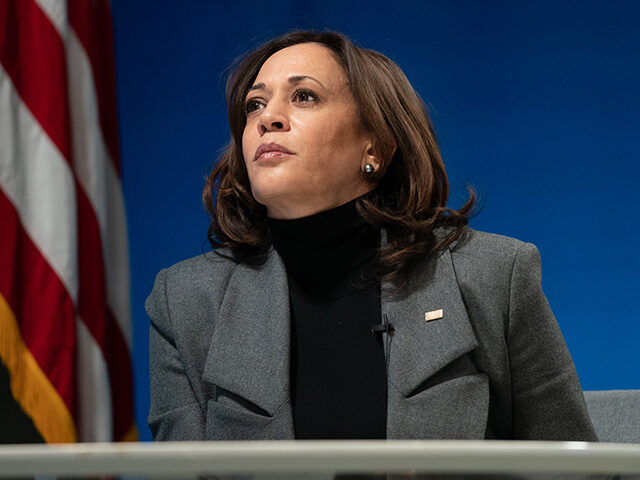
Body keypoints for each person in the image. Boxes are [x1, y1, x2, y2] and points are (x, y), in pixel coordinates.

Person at [146, 29, 598, 443]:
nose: (269, 119)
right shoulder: (186, 303)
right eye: (254, 105)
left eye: (303, 96)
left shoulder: (492, 276)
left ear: (375, 147)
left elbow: (574, 471)